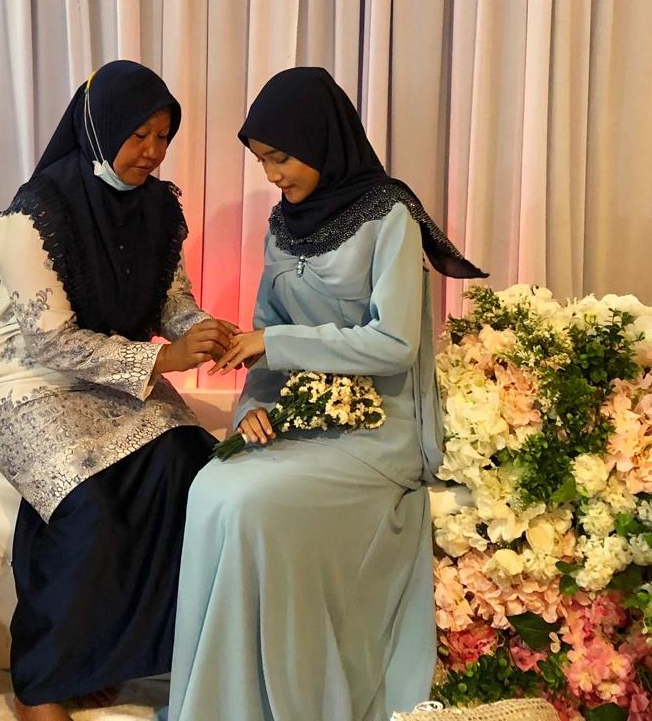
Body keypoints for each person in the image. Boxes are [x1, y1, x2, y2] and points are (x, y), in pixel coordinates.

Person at [162, 67, 486, 721]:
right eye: (262, 161)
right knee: (210, 488)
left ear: (321, 138)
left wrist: (276, 343)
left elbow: (394, 344)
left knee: (251, 506)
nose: (272, 175)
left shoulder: (389, 216)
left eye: (280, 157)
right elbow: (263, 332)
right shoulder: (283, 225)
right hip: (299, 418)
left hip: (378, 431)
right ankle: (223, 703)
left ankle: (278, 699)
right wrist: (253, 410)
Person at [0, 61, 236, 721]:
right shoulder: (30, 218)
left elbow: (171, 304)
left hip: (118, 376)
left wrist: (203, 331)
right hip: (31, 381)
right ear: (99, 128)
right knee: (87, 503)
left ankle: (101, 658)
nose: (151, 152)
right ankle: (43, 685)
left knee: (188, 469)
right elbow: (51, 343)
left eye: (163, 137)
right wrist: (165, 360)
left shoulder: (159, 208)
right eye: (138, 135)